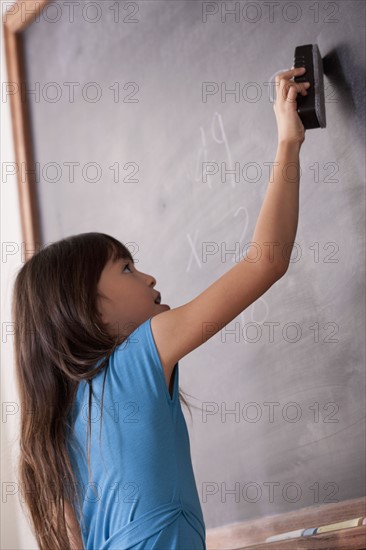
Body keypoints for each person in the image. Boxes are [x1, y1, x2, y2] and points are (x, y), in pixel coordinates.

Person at [11, 67, 310, 550]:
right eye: (127, 268)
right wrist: (287, 142)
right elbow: (266, 262)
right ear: (86, 308)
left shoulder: (53, 440)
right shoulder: (138, 359)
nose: (148, 277)